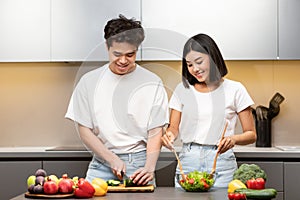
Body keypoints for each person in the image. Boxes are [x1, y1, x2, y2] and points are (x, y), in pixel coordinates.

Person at [65, 15, 169, 185]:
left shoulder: (152, 82)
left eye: (130, 54)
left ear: (137, 49)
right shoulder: (89, 82)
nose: (123, 61)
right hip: (101, 162)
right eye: (117, 54)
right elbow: (84, 130)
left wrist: (149, 167)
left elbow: (155, 131)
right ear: (107, 46)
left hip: (140, 165)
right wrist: (111, 159)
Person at [161, 33, 256, 188]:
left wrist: (233, 140)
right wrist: (168, 136)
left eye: (199, 62)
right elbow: (173, 128)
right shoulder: (182, 89)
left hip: (221, 162)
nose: (194, 69)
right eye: (189, 65)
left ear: (212, 57)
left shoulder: (235, 89)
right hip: (188, 161)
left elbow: (251, 134)